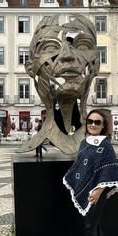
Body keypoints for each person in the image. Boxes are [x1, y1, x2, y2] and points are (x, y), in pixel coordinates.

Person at [17, 14, 100, 155]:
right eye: (50, 48)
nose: (68, 55)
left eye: (83, 46)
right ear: (30, 69)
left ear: (97, 66)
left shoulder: (103, 143)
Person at [63, 109, 118, 236]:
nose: (93, 125)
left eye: (98, 122)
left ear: (103, 125)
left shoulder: (105, 145)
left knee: (89, 228)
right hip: (89, 190)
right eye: (90, 121)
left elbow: (111, 171)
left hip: (98, 192)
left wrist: (99, 190)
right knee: (95, 227)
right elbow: (81, 166)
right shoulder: (83, 143)